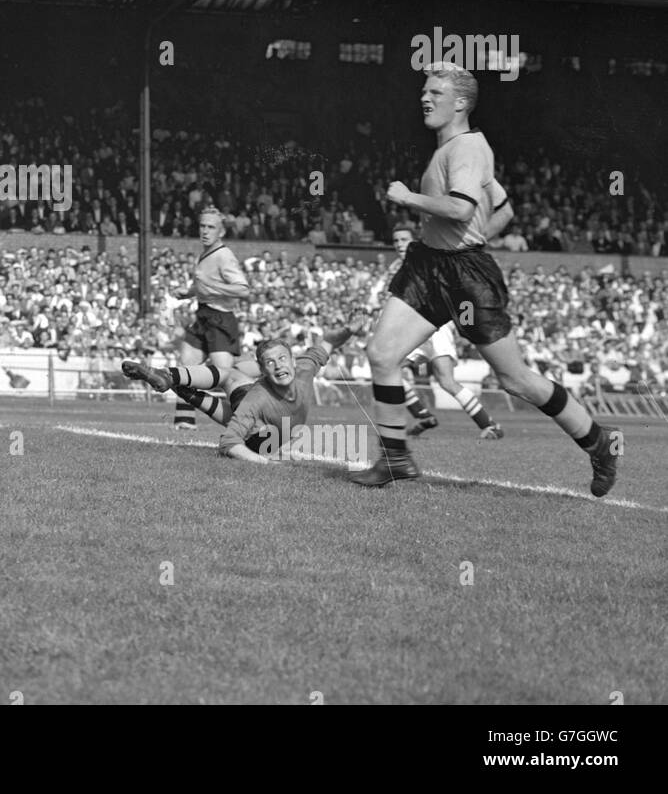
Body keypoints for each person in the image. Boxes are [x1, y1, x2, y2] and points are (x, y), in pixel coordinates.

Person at [353, 63, 621, 494]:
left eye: (435, 93)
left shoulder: (466, 148)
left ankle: (599, 441)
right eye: (424, 90)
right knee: (382, 353)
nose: (424, 97)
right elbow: (505, 210)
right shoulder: (458, 148)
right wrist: (473, 235)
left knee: (515, 380)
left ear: (460, 103)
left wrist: (408, 197)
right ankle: (394, 459)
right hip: (429, 265)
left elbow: (460, 209)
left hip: (463, 275)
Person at [122, 315, 364, 463]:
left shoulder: (304, 368)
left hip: (267, 434)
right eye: (270, 363)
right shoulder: (257, 398)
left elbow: (329, 342)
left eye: (282, 359)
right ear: (262, 370)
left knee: (231, 378)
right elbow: (228, 443)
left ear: (293, 360)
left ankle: (173, 379)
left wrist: (349, 330)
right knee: (230, 375)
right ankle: (169, 378)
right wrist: (265, 464)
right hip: (260, 438)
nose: (278, 366)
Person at [369, 222, 504, 440]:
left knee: (446, 381)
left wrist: (465, 322)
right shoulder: (397, 267)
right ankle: (424, 416)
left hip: (436, 328)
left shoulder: (426, 259)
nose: (399, 244)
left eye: (404, 240)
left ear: (415, 240)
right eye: (395, 241)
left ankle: (488, 425)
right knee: (386, 367)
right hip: (417, 328)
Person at [169, 206, 253, 430]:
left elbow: (243, 289)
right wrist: (188, 293)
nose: (205, 231)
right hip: (204, 315)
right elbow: (203, 285)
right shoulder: (204, 253)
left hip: (220, 320)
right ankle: (185, 421)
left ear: (221, 232)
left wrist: (212, 286)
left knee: (225, 376)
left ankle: (250, 424)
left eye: (211, 227)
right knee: (185, 366)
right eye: (202, 226)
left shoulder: (224, 256)